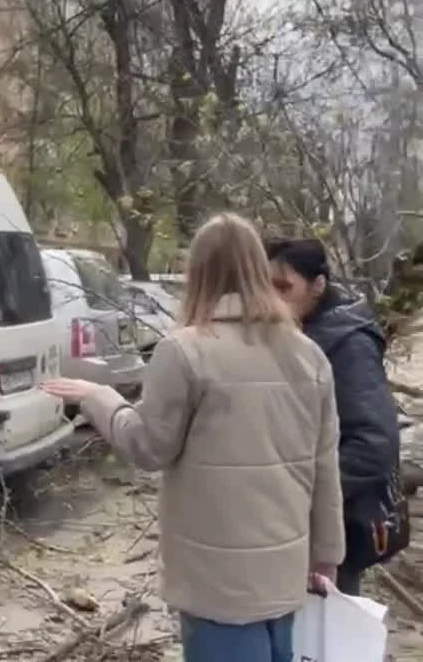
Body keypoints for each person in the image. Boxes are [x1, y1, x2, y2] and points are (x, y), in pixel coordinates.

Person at [41, 213, 343, 662]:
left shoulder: (183, 351)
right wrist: (327, 555)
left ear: (196, 274)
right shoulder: (308, 355)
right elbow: (325, 465)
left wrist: (100, 398)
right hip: (284, 578)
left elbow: (148, 447)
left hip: (216, 586)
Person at [266, 237, 403, 595]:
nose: (271, 297)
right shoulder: (299, 333)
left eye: (283, 286)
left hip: (334, 525)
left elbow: (375, 441)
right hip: (301, 525)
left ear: (318, 285)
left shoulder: (346, 344)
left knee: (326, 637)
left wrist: (305, 494)